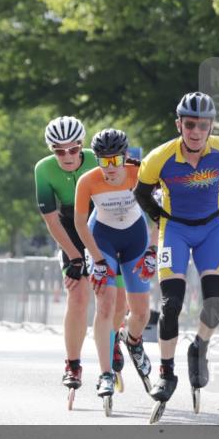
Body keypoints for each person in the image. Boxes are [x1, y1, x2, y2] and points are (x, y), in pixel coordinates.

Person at [133, 92, 219, 420]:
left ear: (211, 126)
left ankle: (199, 348)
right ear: (179, 124)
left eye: (202, 125)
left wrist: (207, 209)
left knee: (215, 305)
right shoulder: (157, 159)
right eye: (189, 124)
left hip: (211, 230)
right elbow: (141, 193)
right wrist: (162, 217)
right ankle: (166, 372)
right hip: (175, 231)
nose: (195, 131)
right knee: (171, 305)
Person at [34, 116, 128, 402]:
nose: (67, 156)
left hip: (105, 224)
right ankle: (73, 365)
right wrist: (75, 259)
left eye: (73, 149)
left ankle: (112, 340)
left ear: (81, 146)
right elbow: (51, 219)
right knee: (77, 295)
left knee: (117, 298)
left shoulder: (98, 159)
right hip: (70, 229)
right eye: (59, 151)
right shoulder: (43, 169)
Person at [74, 128, 157, 405]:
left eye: (115, 161)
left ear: (126, 157)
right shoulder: (88, 180)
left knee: (142, 313)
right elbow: (79, 224)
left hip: (135, 239)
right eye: (102, 161)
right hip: (103, 240)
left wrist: (152, 251)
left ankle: (132, 340)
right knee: (106, 306)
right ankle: (105, 373)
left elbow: (159, 215)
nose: (109, 168)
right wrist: (97, 260)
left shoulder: (140, 173)